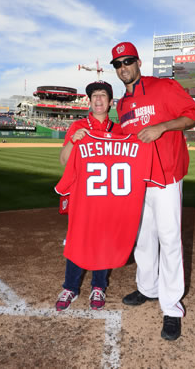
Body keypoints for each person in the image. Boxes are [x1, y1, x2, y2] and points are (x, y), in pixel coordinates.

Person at [110, 42, 195, 341]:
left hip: (165, 177)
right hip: (139, 181)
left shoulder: (163, 87)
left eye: (127, 61)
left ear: (138, 62)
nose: (123, 67)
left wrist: (162, 127)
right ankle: (148, 288)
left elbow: (193, 115)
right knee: (144, 239)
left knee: (169, 239)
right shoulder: (122, 105)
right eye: (118, 64)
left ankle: (172, 308)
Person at [55, 80, 122, 312]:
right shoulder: (78, 126)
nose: (98, 99)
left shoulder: (120, 131)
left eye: (103, 95)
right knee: (77, 240)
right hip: (82, 197)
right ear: (90, 101)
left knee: (103, 241)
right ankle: (70, 287)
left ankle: (98, 286)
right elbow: (64, 161)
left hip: (108, 199)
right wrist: (74, 141)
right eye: (94, 96)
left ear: (111, 102)